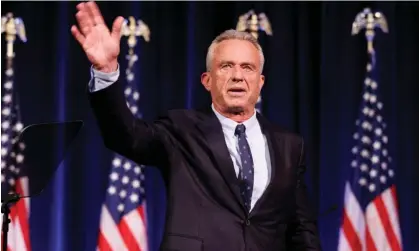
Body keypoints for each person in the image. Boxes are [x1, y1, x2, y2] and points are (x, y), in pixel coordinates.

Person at [71, 2, 321, 250]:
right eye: (226, 66)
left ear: (260, 82)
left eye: (248, 67)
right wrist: (105, 71)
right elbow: (126, 137)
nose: (237, 76)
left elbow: (301, 230)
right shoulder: (181, 129)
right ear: (207, 80)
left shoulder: (289, 145)